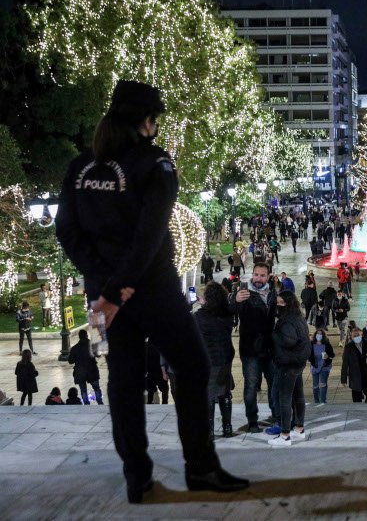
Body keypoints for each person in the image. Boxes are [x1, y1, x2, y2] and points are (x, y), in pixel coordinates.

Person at [56, 80, 248, 502]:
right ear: (147, 122)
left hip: (105, 298)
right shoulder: (156, 164)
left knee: (123, 379)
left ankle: (137, 477)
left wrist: (104, 288)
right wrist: (121, 289)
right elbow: (148, 237)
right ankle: (200, 467)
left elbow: (66, 232)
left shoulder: (80, 167)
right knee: (193, 366)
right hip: (152, 290)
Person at [229, 263, 277, 433]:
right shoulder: (244, 293)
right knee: (250, 386)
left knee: (274, 384)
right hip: (250, 350)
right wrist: (235, 300)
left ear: (268, 276)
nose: (258, 278)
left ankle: (276, 416)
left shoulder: (272, 293)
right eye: (256, 274)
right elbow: (230, 310)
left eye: (262, 275)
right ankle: (252, 420)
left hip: (270, 348)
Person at [268, 290, 310, 446]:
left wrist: (272, 334)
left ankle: (285, 435)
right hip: (298, 361)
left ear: (287, 303)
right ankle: (299, 429)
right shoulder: (298, 316)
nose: (278, 305)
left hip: (288, 363)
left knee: (284, 398)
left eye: (280, 302)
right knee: (298, 395)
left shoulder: (286, 321)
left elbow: (289, 341)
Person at [195, 281, 235, 441]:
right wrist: (206, 304)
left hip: (208, 360)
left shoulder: (199, 316)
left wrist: (201, 305)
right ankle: (227, 427)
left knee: (208, 395)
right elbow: (217, 314)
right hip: (225, 359)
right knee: (225, 392)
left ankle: (210, 430)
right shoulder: (227, 315)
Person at [68, 329, 104, 404]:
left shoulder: (75, 348)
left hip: (80, 372)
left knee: (83, 390)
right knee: (96, 388)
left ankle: (86, 403)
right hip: (92, 370)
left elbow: (70, 361)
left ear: (79, 337)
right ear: (86, 335)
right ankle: (100, 402)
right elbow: (98, 355)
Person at [340, 327, 367, 402]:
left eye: (358, 335)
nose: (356, 337)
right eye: (354, 336)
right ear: (351, 337)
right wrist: (343, 379)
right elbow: (345, 363)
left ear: (361, 334)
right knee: (356, 400)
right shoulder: (348, 347)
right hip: (355, 377)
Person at [310, 328, 335, 404]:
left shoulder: (327, 344)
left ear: (323, 336)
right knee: (315, 385)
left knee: (323, 384)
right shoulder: (311, 344)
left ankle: (322, 401)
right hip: (315, 367)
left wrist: (328, 356)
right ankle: (316, 401)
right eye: (318, 334)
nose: (319, 335)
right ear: (315, 335)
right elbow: (308, 355)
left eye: (321, 334)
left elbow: (332, 355)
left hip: (324, 367)